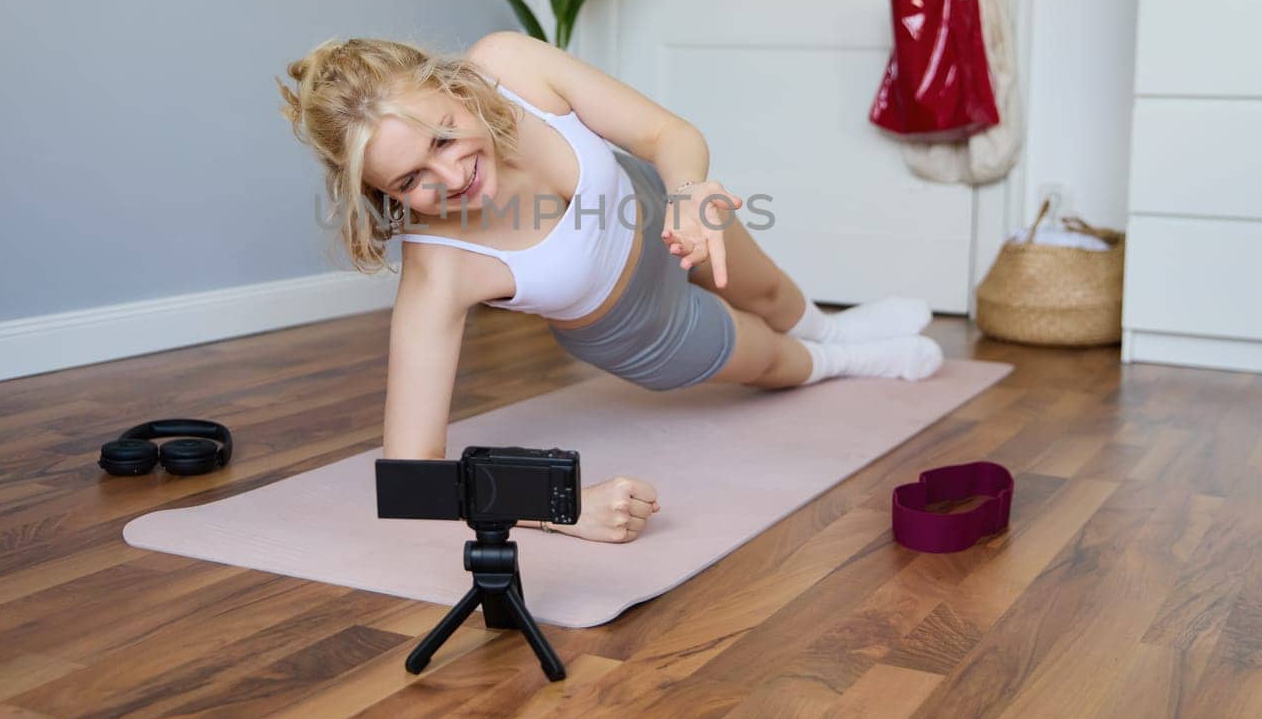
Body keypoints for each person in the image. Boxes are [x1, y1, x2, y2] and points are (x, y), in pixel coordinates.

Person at [277, 31, 943, 544]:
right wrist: (558, 510)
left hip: (658, 203)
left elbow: (666, 133)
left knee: (771, 290)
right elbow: (411, 481)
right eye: (409, 180)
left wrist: (687, 195)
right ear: (381, 194)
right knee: (769, 356)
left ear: (453, 88)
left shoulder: (510, 64)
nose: (448, 177)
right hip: (638, 325)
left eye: (445, 138)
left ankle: (833, 325)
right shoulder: (439, 266)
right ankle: (842, 360)